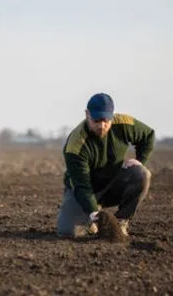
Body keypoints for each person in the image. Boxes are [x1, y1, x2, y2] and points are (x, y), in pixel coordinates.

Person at [57, 93, 155, 238]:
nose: (101, 126)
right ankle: (91, 221)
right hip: (82, 190)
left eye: (106, 120)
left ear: (112, 116)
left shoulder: (123, 123)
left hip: (112, 183)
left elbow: (148, 135)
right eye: (96, 120)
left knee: (141, 173)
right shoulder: (76, 145)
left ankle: (120, 223)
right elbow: (82, 186)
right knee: (68, 232)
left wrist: (140, 159)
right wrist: (93, 212)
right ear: (87, 115)